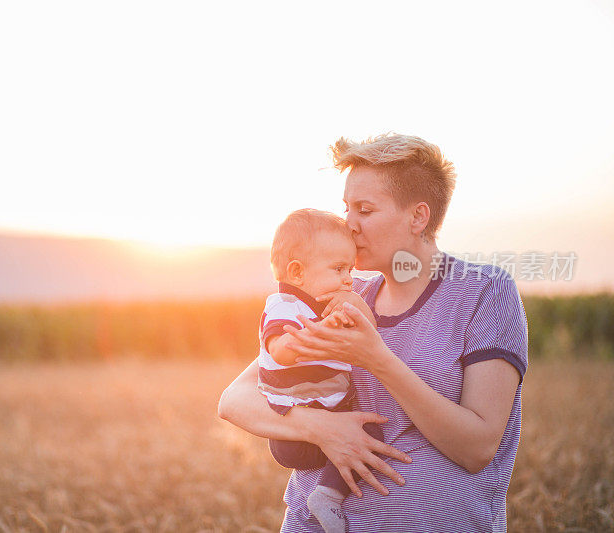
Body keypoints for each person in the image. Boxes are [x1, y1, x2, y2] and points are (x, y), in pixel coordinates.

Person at [218, 133, 527, 532]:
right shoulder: (339, 297)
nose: (349, 224)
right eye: (347, 208)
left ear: (418, 217)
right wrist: (320, 427)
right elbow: (235, 399)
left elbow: (478, 447)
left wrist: (376, 358)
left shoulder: (485, 291)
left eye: (365, 210)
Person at [258, 208, 383, 533]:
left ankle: (326, 493)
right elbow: (279, 349)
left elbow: (374, 335)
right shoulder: (284, 306)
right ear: (297, 273)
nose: (348, 279)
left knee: (369, 429)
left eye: (350, 269)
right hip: (293, 429)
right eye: (339, 268)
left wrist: (355, 306)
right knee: (366, 431)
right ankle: (327, 496)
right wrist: (317, 332)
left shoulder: (324, 307)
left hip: (323, 410)